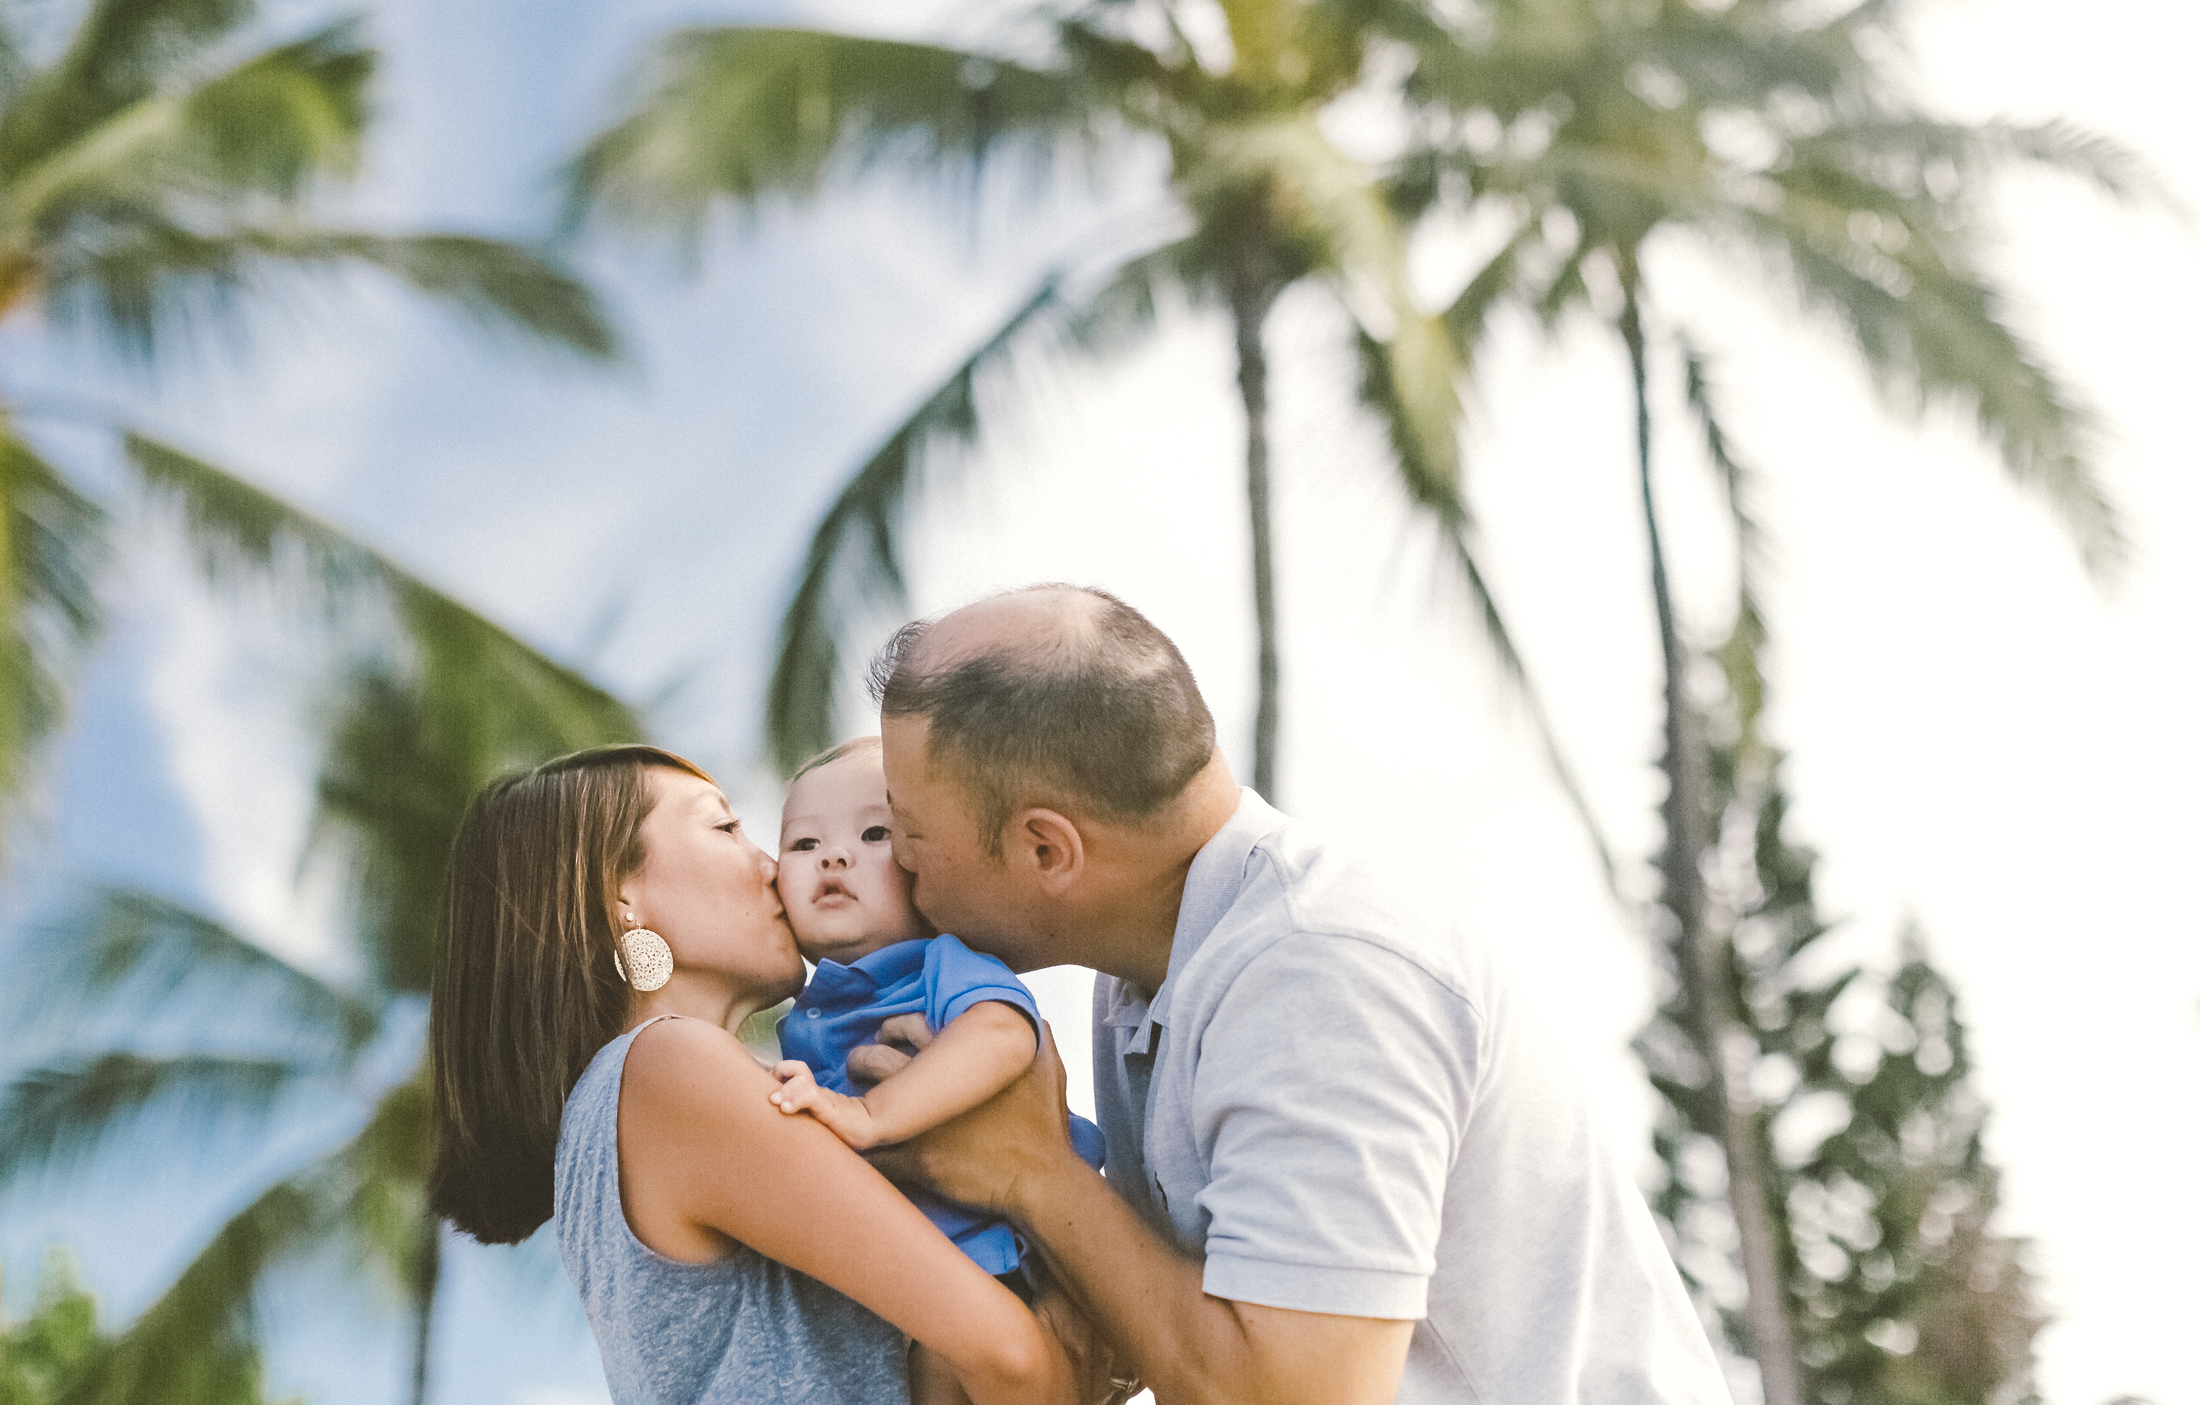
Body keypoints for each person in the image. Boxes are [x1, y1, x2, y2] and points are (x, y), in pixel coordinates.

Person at [850, 586, 1734, 1405]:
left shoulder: (1316, 969)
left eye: (909, 828)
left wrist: (1032, 1172)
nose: (897, 862)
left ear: (1049, 850)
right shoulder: (1147, 978)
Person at [426, 743, 1083, 1405]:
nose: (772, 866)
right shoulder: (670, 1068)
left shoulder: (625, 1114)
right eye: (725, 827)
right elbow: (1014, 1360)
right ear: (615, 890)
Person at [765, 737, 1108, 1405]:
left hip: (1000, 1258)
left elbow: (1005, 1032)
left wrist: (872, 1114)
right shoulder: (808, 1015)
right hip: (911, 1290)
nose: (834, 856)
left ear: (924, 865)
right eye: (804, 844)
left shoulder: (937, 964)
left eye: (872, 834)